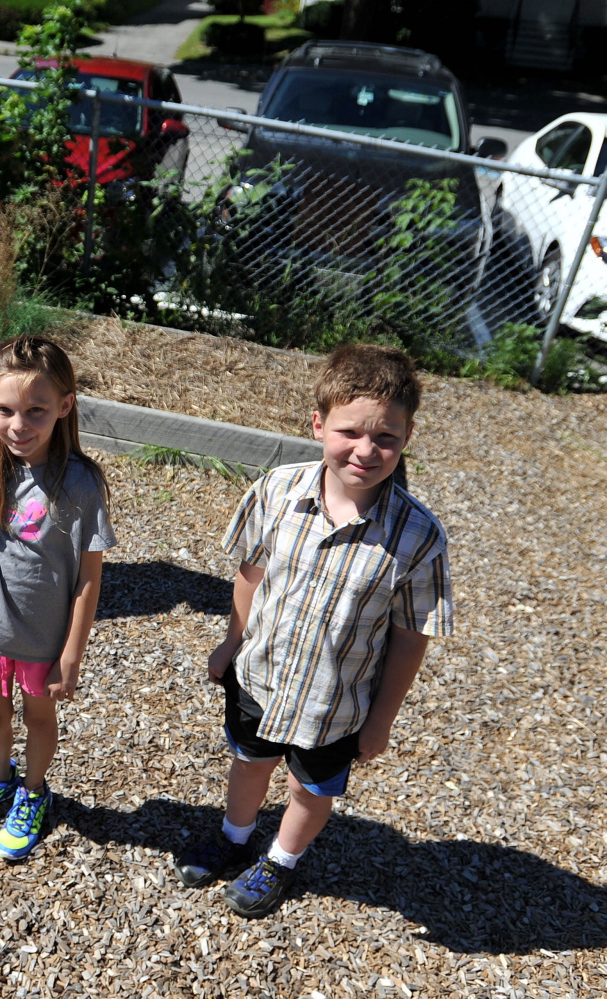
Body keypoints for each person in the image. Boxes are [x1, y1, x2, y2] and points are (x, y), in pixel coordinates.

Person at [174, 343, 453, 918]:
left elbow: (410, 634)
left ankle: (280, 859)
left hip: (337, 704)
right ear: (319, 423)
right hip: (261, 677)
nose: (366, 450)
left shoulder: (419, 536)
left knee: (311, 790)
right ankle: (233, 836)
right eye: (350, 431)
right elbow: (251, 573)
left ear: (406, 438)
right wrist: (231, 641)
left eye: (386, 438)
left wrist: (381, 719)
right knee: (249, 762)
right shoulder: (278, 491)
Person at [0, 336, 116, 860]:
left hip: (44, 640)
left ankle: (34, 792)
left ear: (64, 406)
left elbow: (89, 578)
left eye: (36, 410)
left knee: (39, 719)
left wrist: (72, 654)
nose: (18, 425)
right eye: (4, 410)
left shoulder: (81, 483)